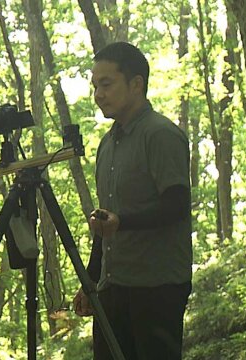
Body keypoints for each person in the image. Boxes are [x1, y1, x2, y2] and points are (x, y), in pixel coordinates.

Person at [73, 42, 193, 360]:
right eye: (95, 86)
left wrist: (123, 222)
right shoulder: (106, 145)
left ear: (136, 84)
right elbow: (104, 223)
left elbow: (177, 205)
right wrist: (90, 281)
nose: (98, 94)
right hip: (113, 288)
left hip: (157, 288)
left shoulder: (161, 135)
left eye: (107, 84)